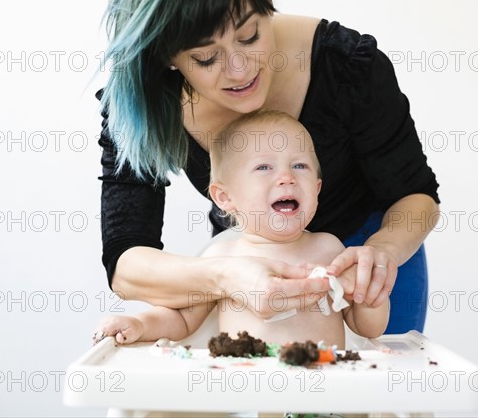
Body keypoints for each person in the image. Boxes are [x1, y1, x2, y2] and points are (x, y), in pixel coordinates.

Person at [97, 0, 440, 334]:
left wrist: (381, 255)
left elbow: (416, 196)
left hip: (372, 255)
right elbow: (125, 259)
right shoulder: (137, 107)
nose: (239, 70)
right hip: (245, 262)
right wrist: (225, 275)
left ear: (267, 0)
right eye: (205, 58)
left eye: (249, 36)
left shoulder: (347, 65)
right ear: (167, 56)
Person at [94, 110, 389, 349]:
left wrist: (371, 299)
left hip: (326, 393)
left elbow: (366, 328)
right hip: (251, 389)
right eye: (264, 168)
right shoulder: (221, 259)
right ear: (225, 197)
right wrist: (141, 325)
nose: (286, 177)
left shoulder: (330, 250)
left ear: (317, 187)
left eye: (299, 166)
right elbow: (183, 321)